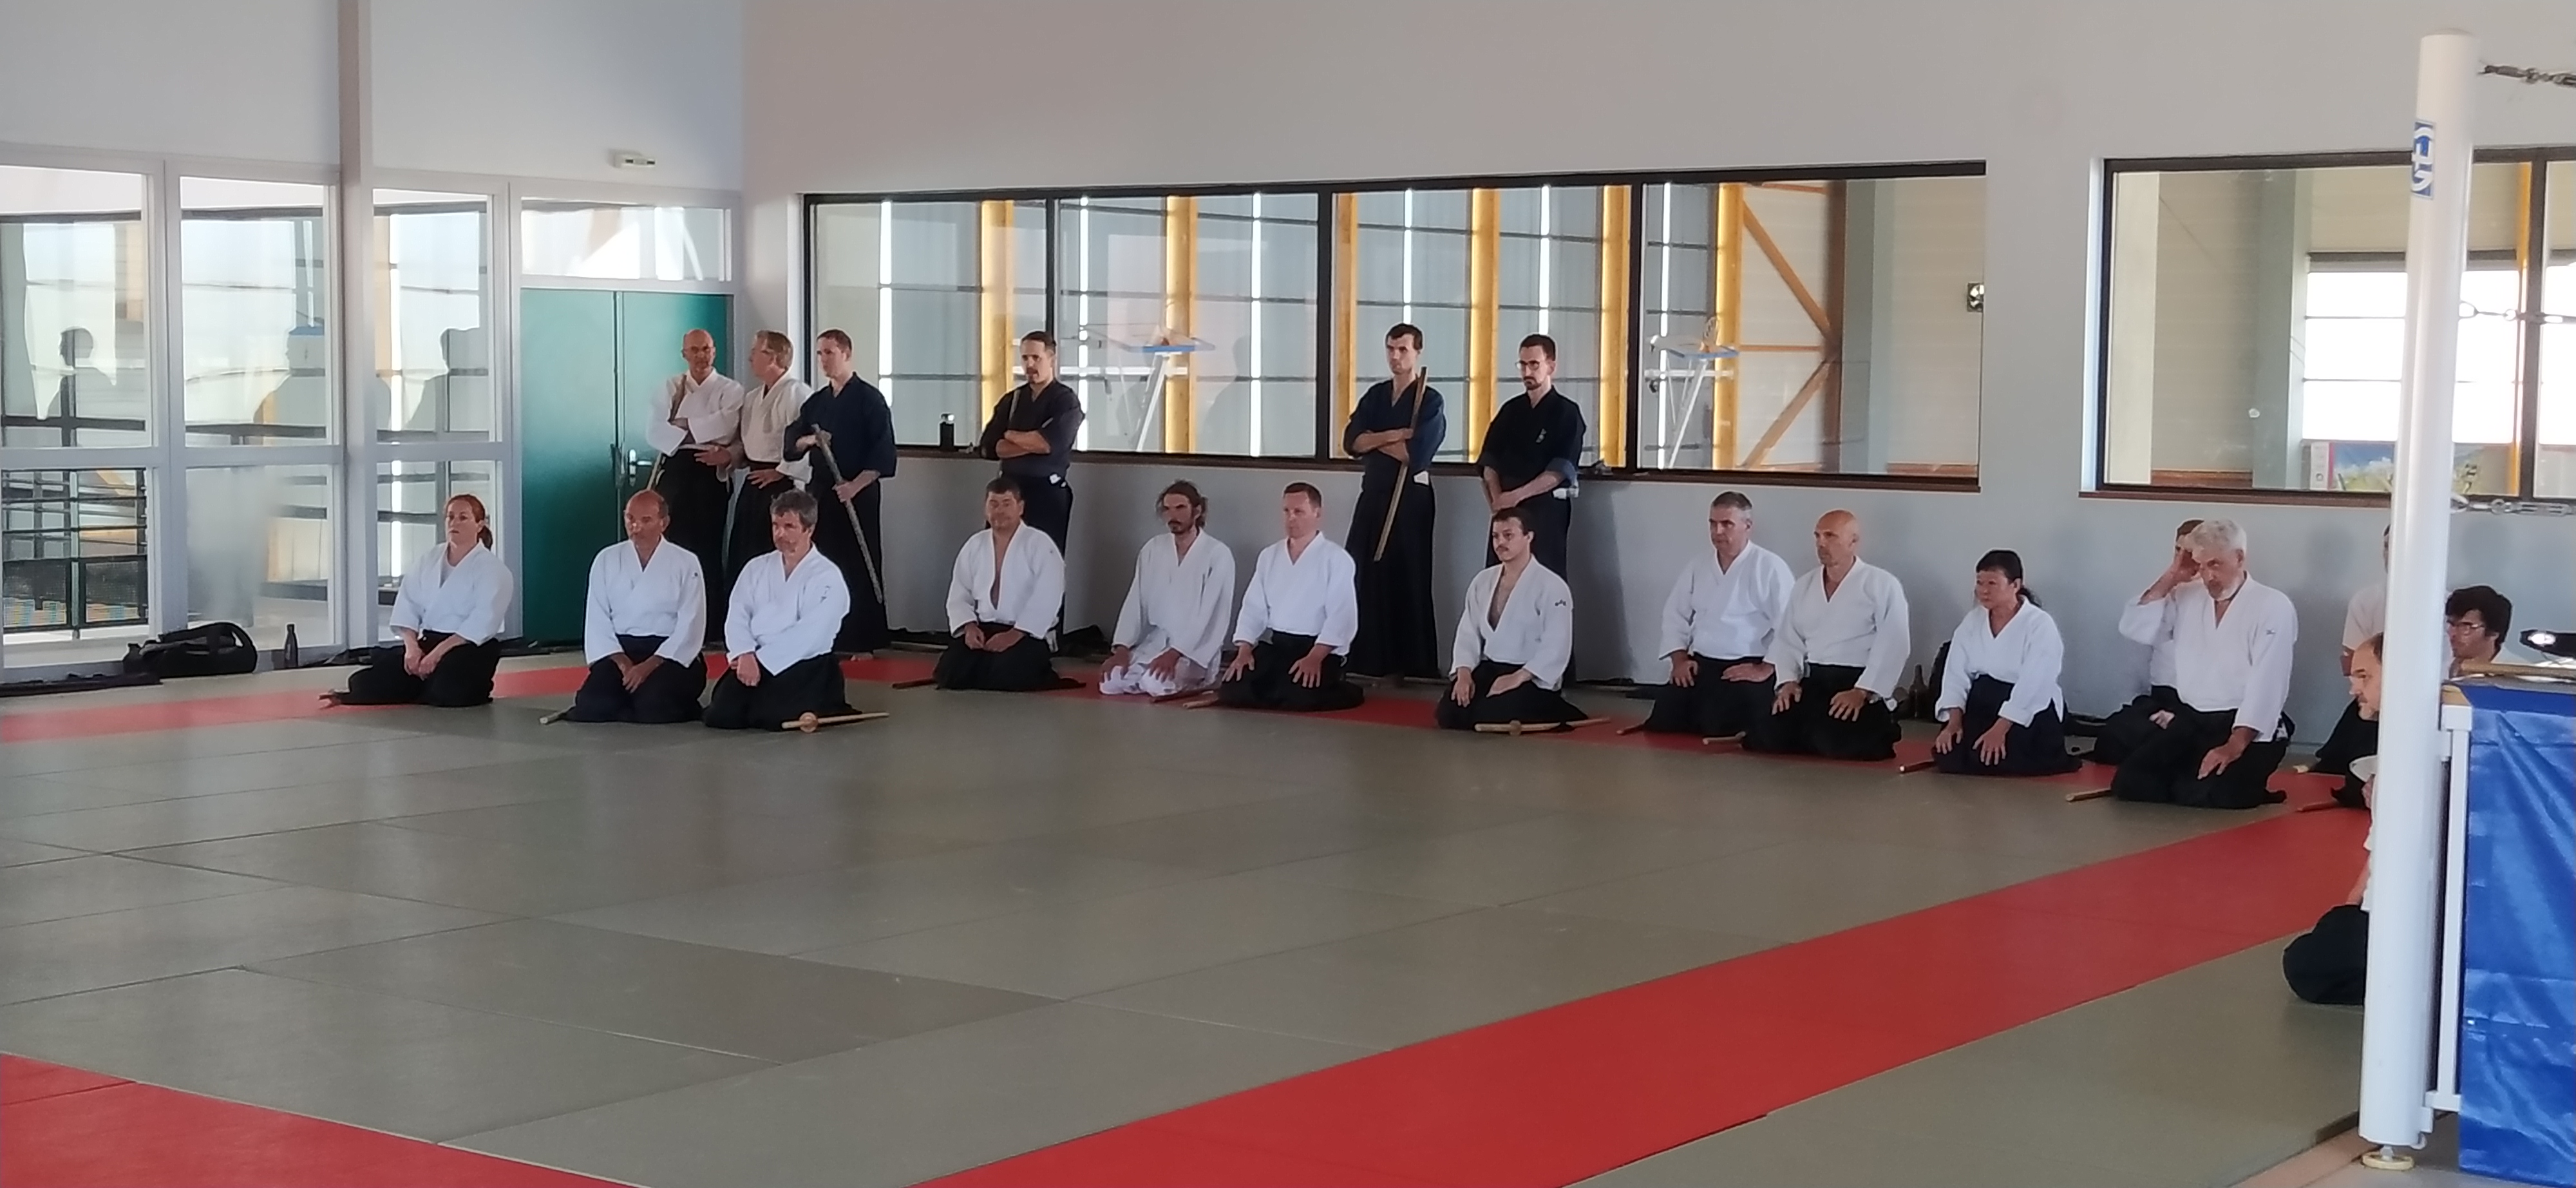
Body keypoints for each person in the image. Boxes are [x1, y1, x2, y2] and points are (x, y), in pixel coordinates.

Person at [2108, 518, 2298, 809]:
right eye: (2201, 566)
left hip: (2244, 725)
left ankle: (2243, 781)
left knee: (2218, 794)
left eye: (2215, 564)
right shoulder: (2186, 595)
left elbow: (2269, 681)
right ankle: (2193, 782)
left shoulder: (2272, 605)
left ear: (2239, 558)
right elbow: (2136, 629)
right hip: (2193, 719)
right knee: (2131, 782)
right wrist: (2173, 575)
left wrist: (2234, 745)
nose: (2208, 576)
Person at [1744, 510, 1911, 762]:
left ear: (1853, 542)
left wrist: (1862, 691)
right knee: (1768, 734)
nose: (1821, 543)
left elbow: (1894, 643)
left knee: (1836, 742)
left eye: (1830, 536)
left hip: (1856, 682)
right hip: (1816, 682)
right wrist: (1788, 681)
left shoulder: (1881, 584)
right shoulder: (1804, 585)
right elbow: (1788, 639)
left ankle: (1883, 724)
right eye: (1818, 536)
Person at [330, 494, 513, 707]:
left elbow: (482, 620)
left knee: (448, 692)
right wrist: (412, 648)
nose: (454, 523)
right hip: (429, 641)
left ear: (480, 525)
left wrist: (436, 655)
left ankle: (426, 685)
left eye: (463, 517)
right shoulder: (429, 559)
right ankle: (419, 683)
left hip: (469, 646)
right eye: (450, 516)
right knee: (362, 684)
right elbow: (408, 604)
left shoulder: (493, 569)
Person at [1642, 492, 1795, 738]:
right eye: (1713, 524)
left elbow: (1789, 625)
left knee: (1721, 719)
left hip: (1747, 663)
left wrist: (1766, 668)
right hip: (1703, 662)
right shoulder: (1699, 565)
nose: (1718, 532)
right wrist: (1680, 660)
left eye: (1727, 524)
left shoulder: (1770, 567)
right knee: (1666, 713)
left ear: (1748, 526)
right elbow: (1675, 614)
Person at [1342, 323, 1447, 681]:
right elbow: (1352, 442)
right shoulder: (1375, 396)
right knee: (1363, 569)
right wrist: (1393, 435)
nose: (1395, 356)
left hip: (1410, 498)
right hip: (1374, 493)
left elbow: (1415, 455)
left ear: (1417, 352)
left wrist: (1375, 441)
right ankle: (1368, 658)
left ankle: (1412, 663)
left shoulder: (1429, 400)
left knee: (1409, 575)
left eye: (1403, 349)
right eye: (1390, 349)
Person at [2283, 633, 2383, 1006]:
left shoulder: (2418, 752)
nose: (2354, 689)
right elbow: (2378, 850)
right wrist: (2351, 909)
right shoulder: (2393, 746)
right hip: (2382, 906)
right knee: (2328, 934)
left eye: (2364, 677)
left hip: (2409, 917)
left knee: (2307, 965)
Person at [784, 329, 896, 655]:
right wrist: (811, 440)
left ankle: (862, 639)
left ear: (847, 354)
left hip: (858, 493)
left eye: (830, 352)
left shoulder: (870, 399)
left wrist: (854, 486)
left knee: (858, 562)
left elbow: (883, 453)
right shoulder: (817, 402)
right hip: (821, 493)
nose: (823, 360)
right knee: (822, 561)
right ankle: (823, 634)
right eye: (820, 353)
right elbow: (792, 442)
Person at [706, 490, 854, 731]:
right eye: (776, 525)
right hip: (753, 658)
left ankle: (825, 700)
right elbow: (737, 614)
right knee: (721, 715)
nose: (780, 534)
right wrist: (744, 653)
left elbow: (812, 633)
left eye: (789, 526)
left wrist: (762, 660)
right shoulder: (756, 567)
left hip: (804, 663)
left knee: (770, 717)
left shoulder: (827, 575)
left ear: (809, 529)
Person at [1931, 550, 2081, 776]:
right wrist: (1953, 722)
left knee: (2000, 757)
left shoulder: (2039, 624)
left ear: (2015, 585)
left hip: (2027, 707)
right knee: (1949, 753)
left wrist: (2001, 728)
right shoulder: (1973, 621)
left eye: (1992, 583)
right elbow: (1956, 673)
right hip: (1982, 702)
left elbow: (2035, 681)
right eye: (1979, 582)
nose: (1983, 590)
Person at [1218, 483, 1364, 712]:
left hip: (1317, 649)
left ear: (1317, 513)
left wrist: (1315, 657)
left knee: (1298, 696)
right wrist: (1244, 650)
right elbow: (1253, 607)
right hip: (1279, 647)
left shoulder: (1337, 559)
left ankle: (1347, 690)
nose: (1291, 518)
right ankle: (1280, 689)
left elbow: (1341, 615)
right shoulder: (1269, 556)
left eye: (1299, 512)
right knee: (1232, 689)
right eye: (1286, 511)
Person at [567, 491, 709, 724]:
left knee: (653, 704)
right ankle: (627, 704)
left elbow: (691, 623)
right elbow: (597, 618)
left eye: (646, 520)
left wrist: (648, 666)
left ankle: (652, 704)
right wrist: (623, 663)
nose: (636, 527)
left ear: (664, 522)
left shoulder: (686, 562)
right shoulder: (606, 559)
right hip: (621, 650)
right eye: (630, 519)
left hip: (668, 654)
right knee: (592, 704)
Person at [1438, 507, 1580, 731]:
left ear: (1528, 537)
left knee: (1491, 713)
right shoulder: (1483, 581)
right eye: (1496, 536)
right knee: (1450, 712)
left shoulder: (1552, 586)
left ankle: (1555, 707)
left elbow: (1557, 644)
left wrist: (1518, 677)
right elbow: (1468, 632)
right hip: (1491, 667)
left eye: (1508, 535)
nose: (1500, 543)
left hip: (1530, 674)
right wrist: (1464, 673)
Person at [1101, 481, 1236, 698]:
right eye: (1167, 509)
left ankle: (1200, 681)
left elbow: (1212, 615)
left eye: (1180, 508)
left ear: (1197, 511)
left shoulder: (1218, 554)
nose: (1173, 516)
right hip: (1155, 643)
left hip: (1193, 651)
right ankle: (1144, 676)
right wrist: (1122, 648)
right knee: (1110, 682)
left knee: (1154, 682)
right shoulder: (1153, 548)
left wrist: (1175, 653)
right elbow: (1136, 602)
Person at [936, 477, 1070, 692]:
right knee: (950, 672)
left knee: (1006, 673)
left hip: (1025, 633)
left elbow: (1049, 595)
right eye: (994, 504)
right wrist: (969, 627)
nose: (1000, 511)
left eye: (1007, 504)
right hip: (984, 628)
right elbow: (960, 592)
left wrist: (1015, 634)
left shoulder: (1040, 544)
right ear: (985, 509)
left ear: (1021, 508)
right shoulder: (975, 545)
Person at [647, 329, 743, 620]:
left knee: (708, 546)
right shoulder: (671, 386)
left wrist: (684, 424)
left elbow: (726, 427)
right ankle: (671, 617)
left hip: (710, 470)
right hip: (676, 467)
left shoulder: (730, 389)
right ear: (684, 354)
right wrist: (699, 429)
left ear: (714, 351)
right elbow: (655, 431)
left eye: (706, 349)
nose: (702, 355)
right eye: (695, 350)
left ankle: (710, 622)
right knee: (672, 543)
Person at [2092, 518, 2201, 767]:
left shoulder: (2219, 597)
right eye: (2179, 550)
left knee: (2179, 742)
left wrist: (2180, 714)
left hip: (2201, 704)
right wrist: (2173, 576)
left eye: (2192, 551)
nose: (2185, 558)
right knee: (2114, 736)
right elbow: (2134, 629)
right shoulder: (2168, 590)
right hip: (2163, 697)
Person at [1478, 333, 1586, 580]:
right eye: (1523, 365)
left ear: (1551, 366)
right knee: (1499, 580)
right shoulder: (1510, 410)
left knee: (1542, 581)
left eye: (1534, 364)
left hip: (1543, 511)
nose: (1527, 372)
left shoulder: (1567, 413)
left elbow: (1558, 471)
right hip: (1505, 514)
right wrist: (1498, 500)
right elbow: (1489, 462)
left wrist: (1516, 496)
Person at [978, 331, 1084, 551]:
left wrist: (1010, 435)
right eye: (1025, 358)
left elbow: (1048, 444)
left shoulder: (1066, 401)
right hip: (1009, 491)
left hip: (1047, 493)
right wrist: (1031, 440)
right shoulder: (1012, 400)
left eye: (1037, 358)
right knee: (999, 553)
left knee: (1043, 556)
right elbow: (989, 447)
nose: (1030, 365)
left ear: (1052, 359)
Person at [725, 332, 811, 602]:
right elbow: (745, 441)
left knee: (772, 548)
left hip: (782, 483)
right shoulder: (752, 397)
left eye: (756, 351)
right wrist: (731, 456)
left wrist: (781, 471)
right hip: (754, 480)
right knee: (744, 550)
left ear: (773, 357)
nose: (750, 357)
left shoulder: (797, 392)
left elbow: (807, 441)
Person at [2311, 528, 2390, 803]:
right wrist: (2366, 687)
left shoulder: (2447, 603)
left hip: (2420, 703)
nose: (2393, 554)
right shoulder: (2367, 600)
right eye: (2388, 546)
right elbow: (2354, 660)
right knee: (2347, 775)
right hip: (2373, 693)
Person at [2446, 584, 2517, 675]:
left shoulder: (2518, 677)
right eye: (2452, 624)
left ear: (2493, 633)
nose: (2453, 634)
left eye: (2465, 626)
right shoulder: (2442, 665)